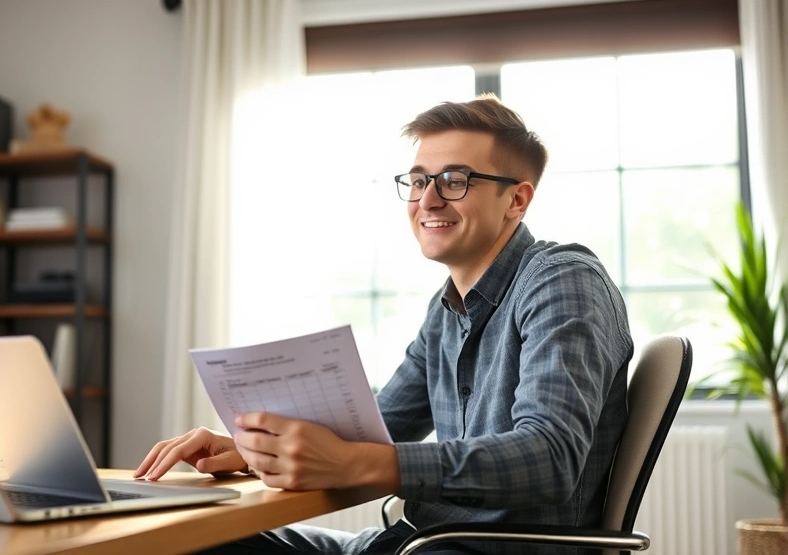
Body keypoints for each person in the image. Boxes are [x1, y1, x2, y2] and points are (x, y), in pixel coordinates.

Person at [136, 94, 633, 555]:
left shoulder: (563, 280)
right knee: (194, 541)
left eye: (455, 180)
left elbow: (549, 458)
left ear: (517, 201)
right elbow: (371, 430)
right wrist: (252, 450)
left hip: (475, 548)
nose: (428, 200)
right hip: (416, 539)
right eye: (419, 181)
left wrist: (354, 462)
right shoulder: (446, 311)